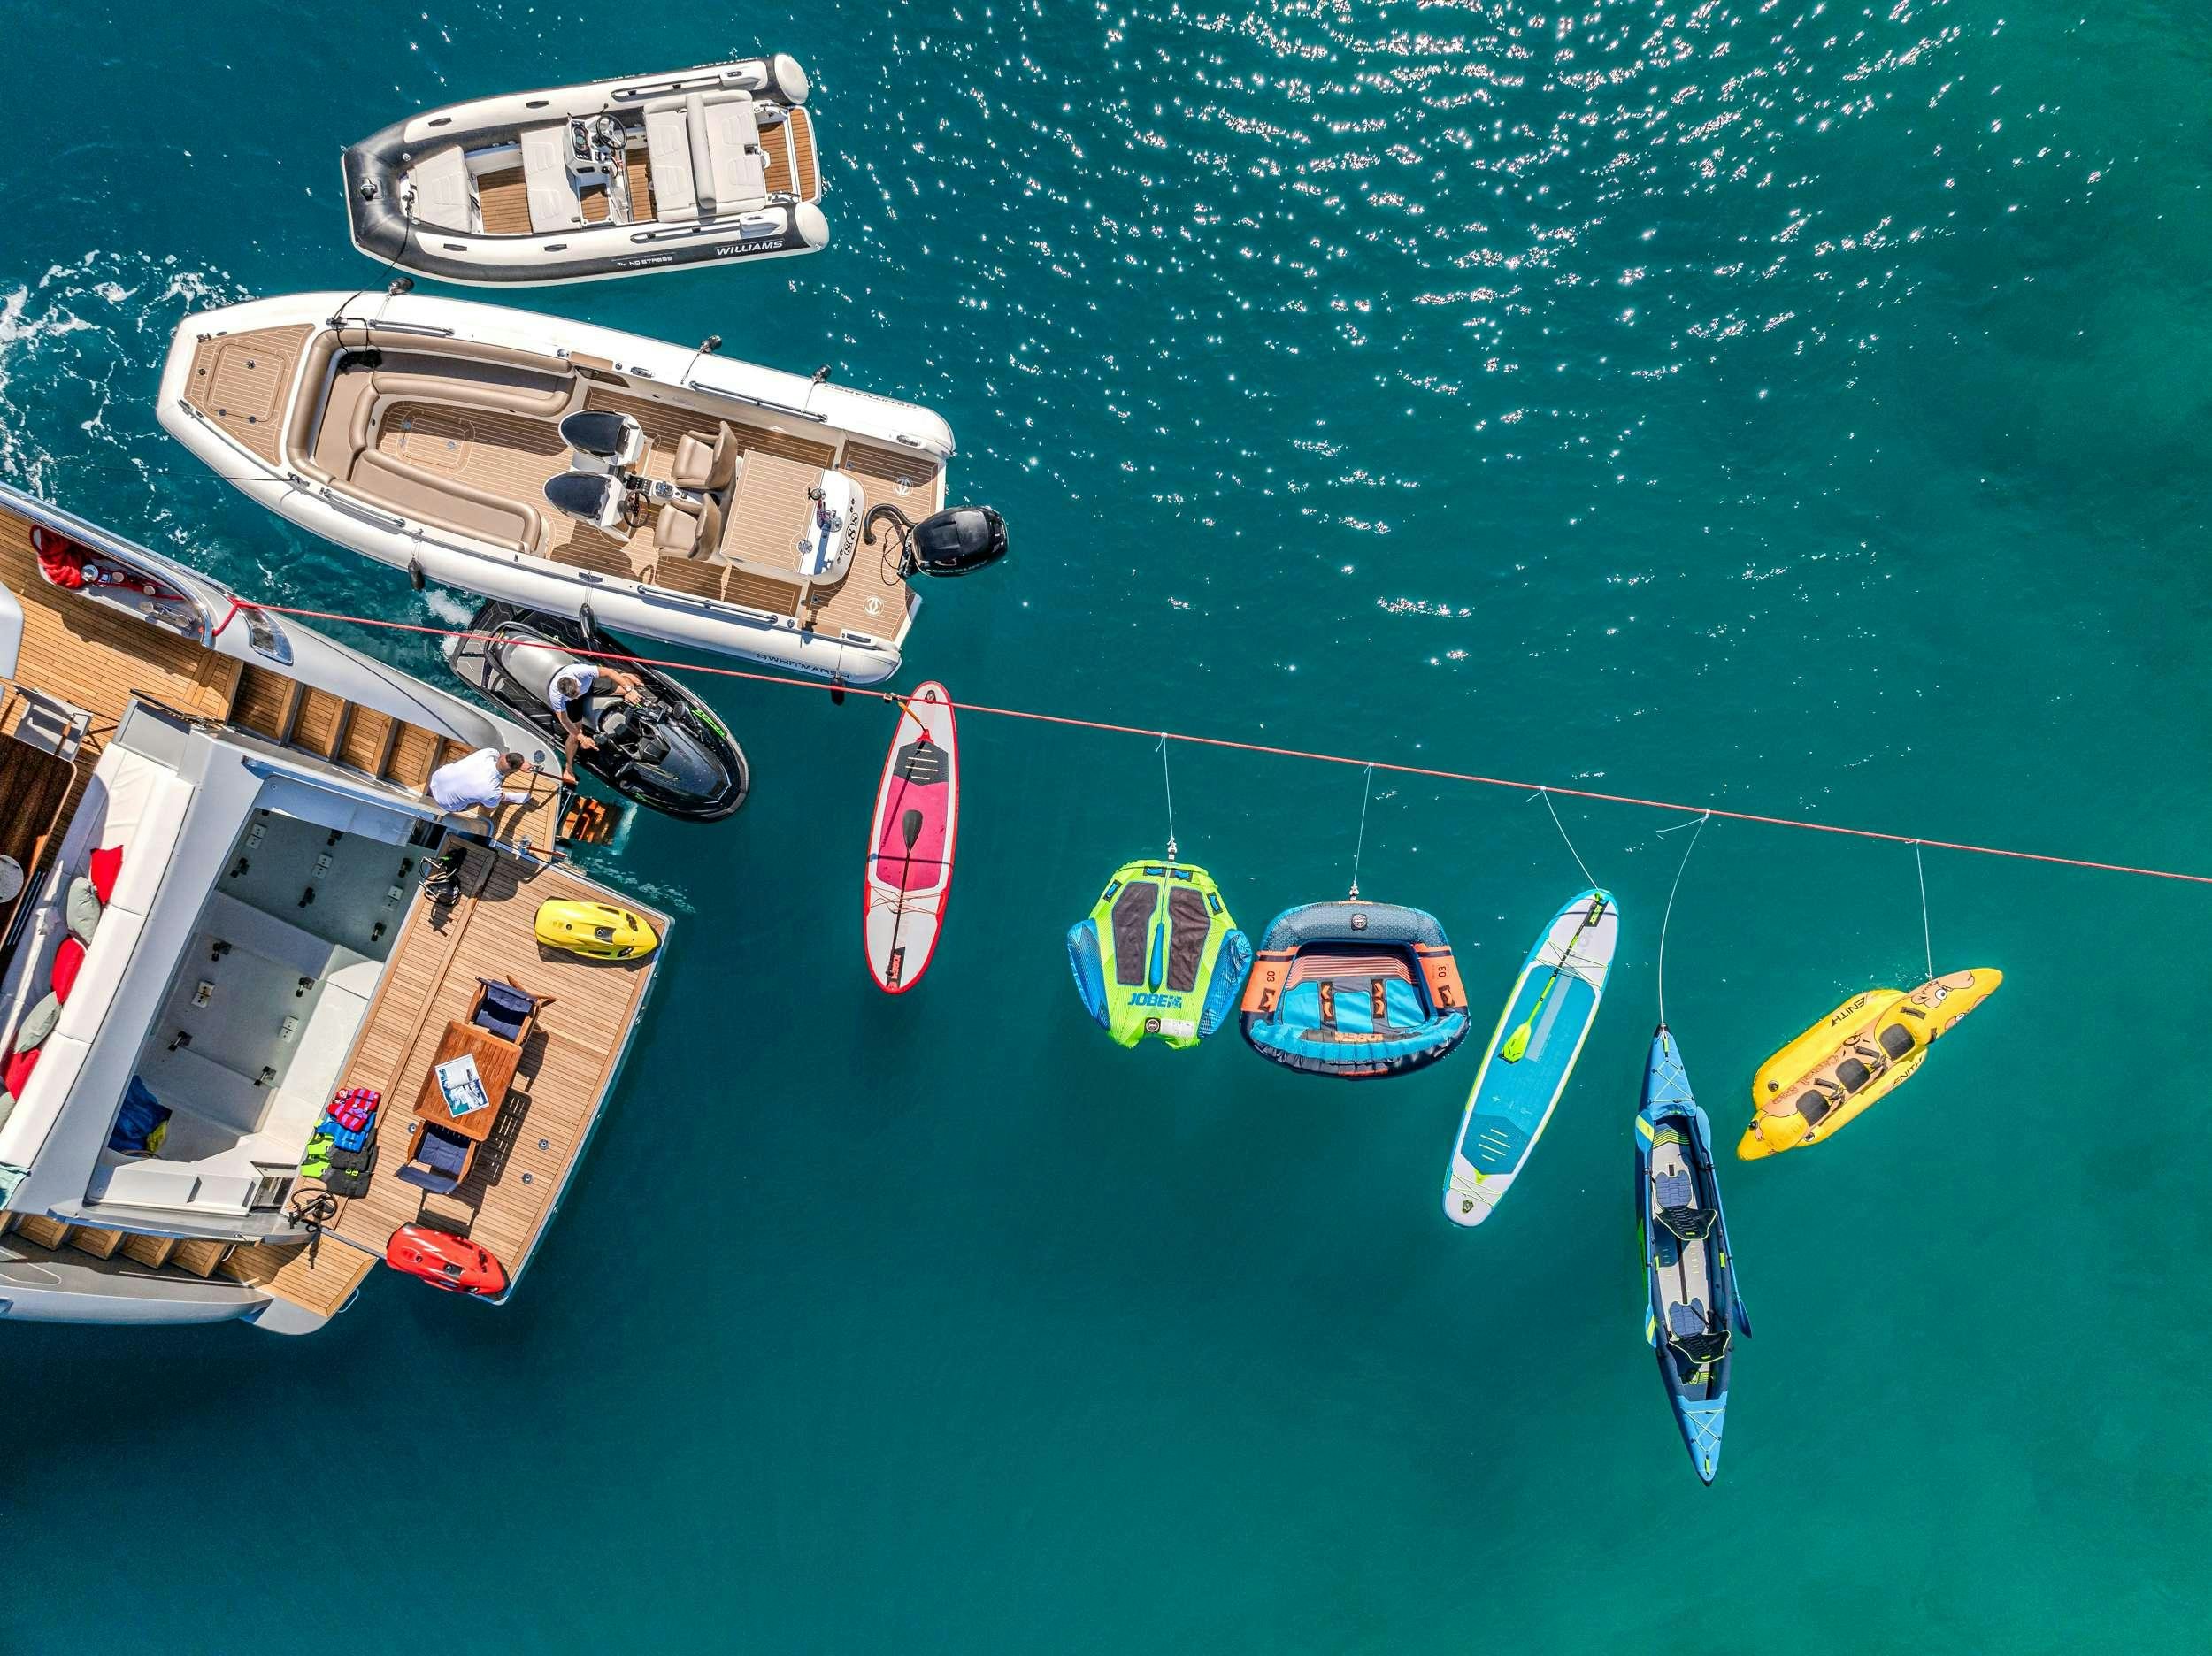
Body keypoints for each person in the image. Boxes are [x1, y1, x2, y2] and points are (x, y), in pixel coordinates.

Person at [548, 661, 644, 784]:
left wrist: (630, 690)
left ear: (576, 682)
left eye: (576, 693)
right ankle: (569, 767)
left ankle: (625, 676)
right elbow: (564, 720)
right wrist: (582, 738)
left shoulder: (580, 671)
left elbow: (609, 672)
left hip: (590, 684)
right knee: (574, 736)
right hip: (572, 703)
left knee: (633, 686)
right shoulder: (556, 695)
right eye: (573, 696)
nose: (577, 697)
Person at [428, 748, 535, 816]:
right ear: (515, 771)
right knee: (493, 801)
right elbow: (491, 802)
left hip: (436, 779)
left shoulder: (488, 753)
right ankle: (506, 797)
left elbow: (501, 755)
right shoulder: (490, 790)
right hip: (447, 805)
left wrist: (520, 763)